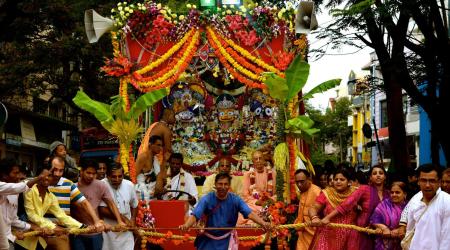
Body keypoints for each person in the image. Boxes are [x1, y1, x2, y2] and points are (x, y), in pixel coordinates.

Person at [179, 173, 271, 250]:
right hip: (207, 242)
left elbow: (249, 213)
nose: (223, 187)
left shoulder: (236, 200)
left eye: (226, 184)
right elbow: (195, 215)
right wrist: (186, 225)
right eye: (220, 184)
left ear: (229, 185)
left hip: (227, 241)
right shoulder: (206, 199)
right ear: (215, 184)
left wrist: (263, 223)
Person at [18, 165, 89, 250]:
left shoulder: (51, 197)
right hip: (20, 237)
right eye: (44, 175)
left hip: (37, 239)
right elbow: (31, 215)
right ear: (38, 177)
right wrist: (53, 227)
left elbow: (62, 216)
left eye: (50, 176)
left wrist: (82, 227)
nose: (46, 178)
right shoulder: (29, 190)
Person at [323, 164, 390, 250]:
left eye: (381, 173)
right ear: (370, 177)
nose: (378, 175)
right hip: (362, 232)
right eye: (374, 173)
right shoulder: (364, 189)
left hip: (382, 234)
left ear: (385, 177)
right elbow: (346, 204)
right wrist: (328, 217)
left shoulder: (389, 194)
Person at [71, 160, 126, 250]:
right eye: (88, 173)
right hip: (78, 232)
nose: (91, 176)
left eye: (93, 173)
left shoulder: (100, 185)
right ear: (81, 171)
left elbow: (111, 204)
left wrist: (119, 221)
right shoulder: (73, 187)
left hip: (96, 233)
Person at [47, 156, 104, 230]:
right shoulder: (39, 183)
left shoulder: (68, 184)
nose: (57, 174)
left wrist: (96, 221)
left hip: (63, 231)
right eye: (55, 170)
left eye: (61, 171)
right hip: (42, 230)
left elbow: (84, 203)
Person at [0, 158, 46, 250]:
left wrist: (32, 227)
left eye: (19, 173)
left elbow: (12, 220)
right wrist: (39, 177)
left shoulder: (14, 194)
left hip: (7, 241)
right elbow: (21, 187)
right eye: (15, 173)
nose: (18, 176)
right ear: (4, 175)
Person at [402, 164, 450, 249]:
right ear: (418, 181)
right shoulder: (415, 200)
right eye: (424, 180)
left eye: (432, 181)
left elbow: (447, 237)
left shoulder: (446, 201)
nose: (427, 185)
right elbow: (409, 229)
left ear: (439, 182)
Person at [308, 168, 358, 250]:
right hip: (328, 237)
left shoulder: (356, 194)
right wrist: (314, 217)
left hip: (350, 238)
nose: (338, 181)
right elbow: (314, 208)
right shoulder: (327, 193)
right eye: (336, 179)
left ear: (349, 182)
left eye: (342, 179)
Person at [99, 163, 138, 250]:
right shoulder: (101, 185)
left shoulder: (129, 185)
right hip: (109, 229)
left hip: (126, 230)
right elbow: (102, 209)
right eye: (113, 177)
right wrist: (123, 219)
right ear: (107, 176)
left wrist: (132, 220)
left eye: (120, 176)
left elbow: (134, 205)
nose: (117, 179)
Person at [370, 181, 407, 250]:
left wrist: (401, 229)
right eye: (392, 192)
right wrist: (384, 228)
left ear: (404, 194)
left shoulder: (409, 207)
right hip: (384, 244)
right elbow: (374, 219)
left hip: (402, 244)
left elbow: (414, 224)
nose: (394, 194)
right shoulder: (384, 205)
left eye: (397, 192)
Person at [294, 169, 321, 250]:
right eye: (297, 182)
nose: (299, 184)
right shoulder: (302, 192)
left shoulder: (317, 192)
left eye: (302, 181)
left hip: (314, 234)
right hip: (303, 233)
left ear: (309, 179)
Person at [135, 135, 168, 200]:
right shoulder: (143, 157)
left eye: (161, 146)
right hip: (142, 192)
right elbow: (133, 176)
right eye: (158, 145)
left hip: (151, 193)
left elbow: (160, 177)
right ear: (150, 145)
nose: (160, 148)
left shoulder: (155, 158)